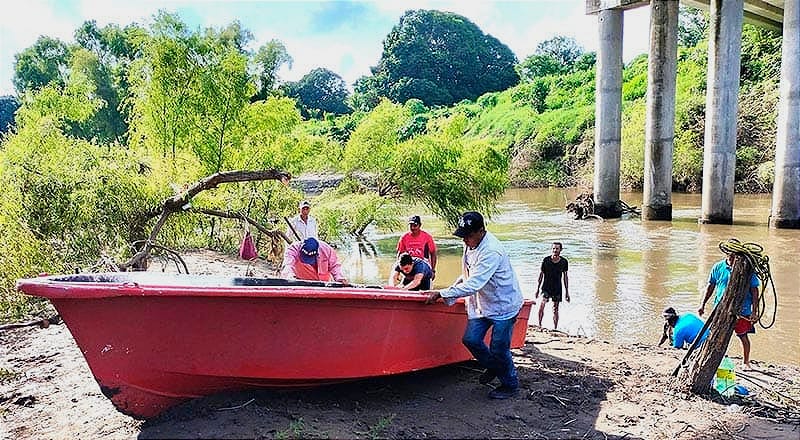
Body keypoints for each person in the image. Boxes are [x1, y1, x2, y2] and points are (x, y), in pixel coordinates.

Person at [425, 212, 524, 400]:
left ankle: (510, 384)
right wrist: (451, 288)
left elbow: (474, 283)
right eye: (463, 235)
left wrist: (442, 293)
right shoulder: (471, 243)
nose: (465, 240)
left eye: (468, 236)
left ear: (481, 231)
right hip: (482, 303)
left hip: (504, 304)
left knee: (499, 348)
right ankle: (494, 367)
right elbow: (468, 274)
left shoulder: (491, 251)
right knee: (471, 340)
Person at [698, 253, 760, 370]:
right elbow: (710, 286)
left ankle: (746, 362)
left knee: (743, 336)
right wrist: (703, 304)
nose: (733, 260)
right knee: (716, 335)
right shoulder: (718, 267)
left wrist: (754, 311)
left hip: (742, 310)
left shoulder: (747, 269)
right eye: (730, 257)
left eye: (735, 257)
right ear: (727, 255)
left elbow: (754, 291)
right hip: (721, 309)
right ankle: (713, 360)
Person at [281, 237, 348, 284]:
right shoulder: (292, 250)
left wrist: (339, 278)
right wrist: (290, 278)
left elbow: (335, 265)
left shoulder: (326, 249)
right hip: (303, 285)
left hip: (324, 284)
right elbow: (287, 265)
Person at [535, 242, 569, 330]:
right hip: (546, 287)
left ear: (561, 250)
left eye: (557, 248)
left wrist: (567, 292)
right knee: (542, 304)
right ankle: (539, 325)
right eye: (553, 248)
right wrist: (537, 289)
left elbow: (565, 277)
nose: (555, 250)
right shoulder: (546, 260)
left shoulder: (564, 262)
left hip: (557, 288)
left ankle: (555, 328)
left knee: (555, 309)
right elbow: (541, 275)